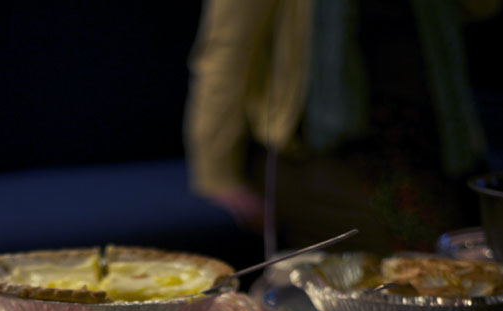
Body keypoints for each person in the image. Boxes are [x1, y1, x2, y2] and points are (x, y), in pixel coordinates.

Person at [184, 0, 502, 256]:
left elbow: (481, 7)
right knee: (394, 278)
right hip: (322, 148)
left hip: (435, 137)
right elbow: (226, 53)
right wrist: (218, 175)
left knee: (470, 265)